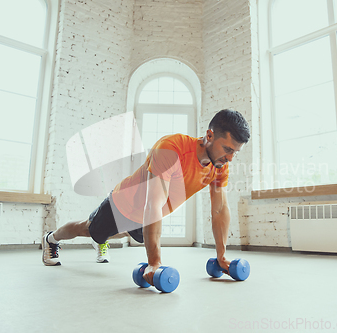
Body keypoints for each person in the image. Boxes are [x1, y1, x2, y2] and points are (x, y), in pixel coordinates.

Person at [42, 109, 250, 286]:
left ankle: (103, 239)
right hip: (123, 204)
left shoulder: (218, 166)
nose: (230, 158)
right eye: (228, 149)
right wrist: (154, 262)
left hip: (146, 217)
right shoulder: (172, 148)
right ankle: (51, 239)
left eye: (235, 153)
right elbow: (154, 202)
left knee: (126, 233)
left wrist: (221, 256)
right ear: (210, 136)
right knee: (88, 229)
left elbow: (220, 209)